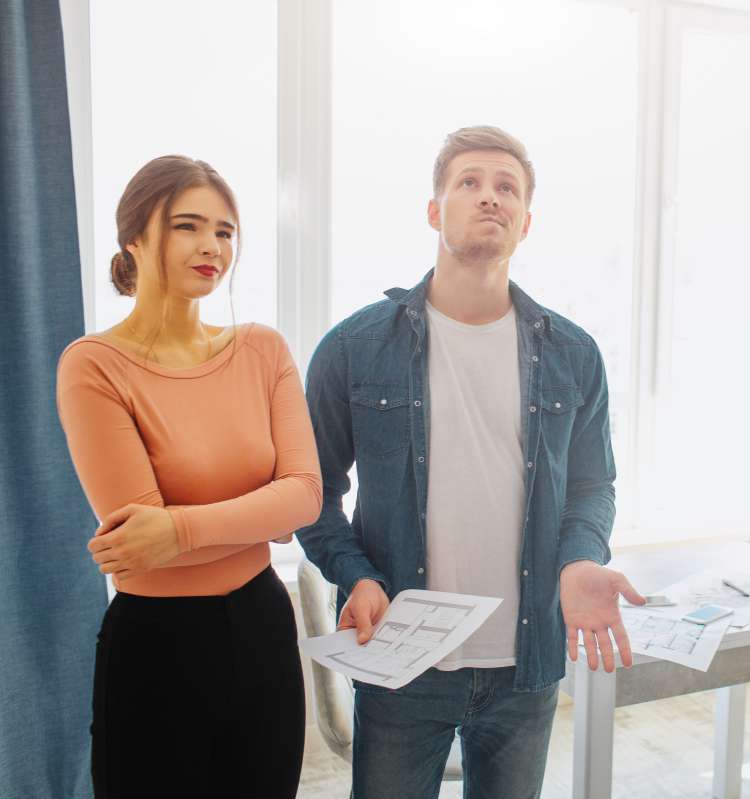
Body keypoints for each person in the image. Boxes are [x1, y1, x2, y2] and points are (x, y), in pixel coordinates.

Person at [298, 125, 644, 798]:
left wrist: (579, 559)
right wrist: (357, 574)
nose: (490, 197)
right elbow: (313, 491)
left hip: (527, 662)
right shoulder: (354, 347)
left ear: (526, 222)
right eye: (470, 183)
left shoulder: (575, 354)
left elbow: (592, 485)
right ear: (435, 210)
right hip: (401, 657)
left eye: (506, 187)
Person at [57, 155, 321, 798]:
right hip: (158, 647)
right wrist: (262, 516)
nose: (212, 246)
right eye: (188, 226)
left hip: (261, 627)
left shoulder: (263, 349)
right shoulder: (93, 365)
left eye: (226, 231)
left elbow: (307, 496)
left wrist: (178, 529)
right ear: (136, 237)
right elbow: (139, 548)